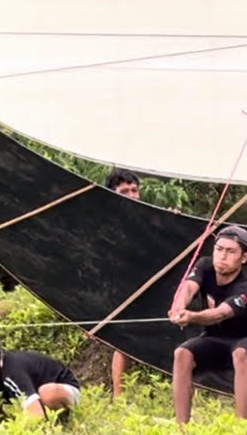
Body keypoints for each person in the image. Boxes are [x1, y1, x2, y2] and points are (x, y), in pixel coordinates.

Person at [167, 225, 247, 424]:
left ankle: (241, 426)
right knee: (182, 354)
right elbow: (188, 288)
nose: (222, 256)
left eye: (230, 251)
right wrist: (178, 307)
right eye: (219, 249)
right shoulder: (205, 266)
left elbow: (220, 314)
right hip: (216, 339)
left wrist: (191, 316)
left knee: (240, 352)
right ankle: (181, 427)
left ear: (244, 257)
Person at [104, 167, 141, 398]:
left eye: (135, 190)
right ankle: (119, 396)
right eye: (124, 191)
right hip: (121, 284)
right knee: (122, 340)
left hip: (155, 281)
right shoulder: (109, 222)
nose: (132, 195)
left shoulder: (151, 215)